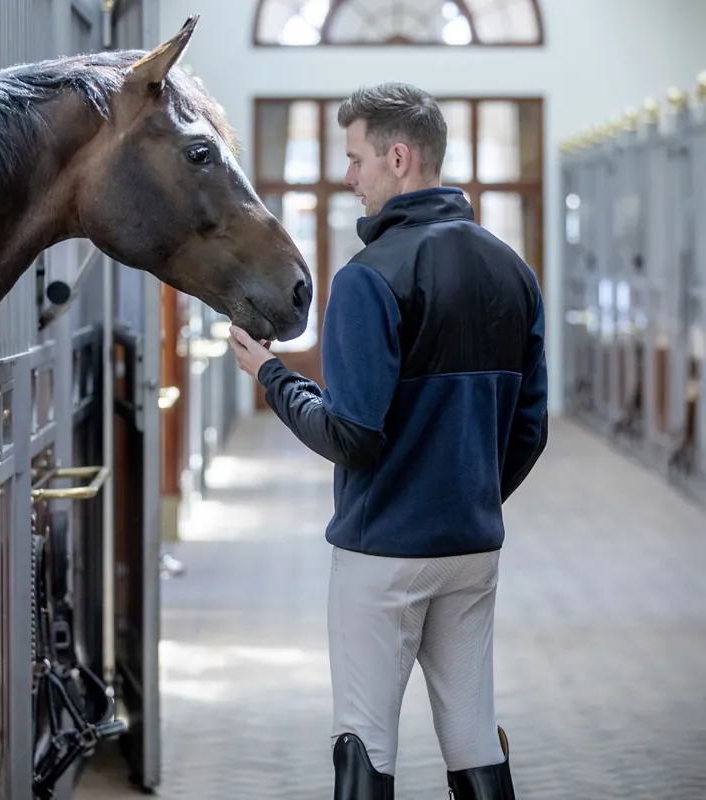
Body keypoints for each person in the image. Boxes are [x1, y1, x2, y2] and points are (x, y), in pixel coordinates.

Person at [228, 82, 548, 800]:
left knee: (364, 743)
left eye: (355, 159)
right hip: (472, 546)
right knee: (472, 733)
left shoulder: (368, 279)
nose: (349, 177)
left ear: (398, 158)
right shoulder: (513, 271)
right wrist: (467, 496)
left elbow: (354, 436)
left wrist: (274, 376)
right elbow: (531, 427)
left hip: (384, 558)